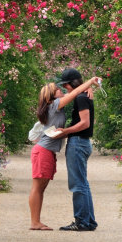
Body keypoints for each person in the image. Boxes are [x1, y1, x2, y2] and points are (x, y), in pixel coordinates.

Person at [29, 75, 101, 230]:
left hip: (47, 151)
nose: (61, 91)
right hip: (43, 150)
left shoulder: (55, 105)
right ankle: (35, 222)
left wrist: (87, 87)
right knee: (38, 187)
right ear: (51, 96)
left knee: (41, 187)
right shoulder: (55, 104)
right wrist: (90, 83)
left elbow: (76, 92)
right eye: (57, 90)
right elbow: (75, 93)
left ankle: (37, 221)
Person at [55, 67, 98, 232]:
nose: (65, 88)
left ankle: (81, 221)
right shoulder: (83, 95)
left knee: (77, 184)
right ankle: (88, 221)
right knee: (83, 184)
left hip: (78, 143)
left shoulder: (81, 98)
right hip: (82, 142)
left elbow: (84, 123)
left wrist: (64, 132)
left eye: (66, 85)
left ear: (72, 83)